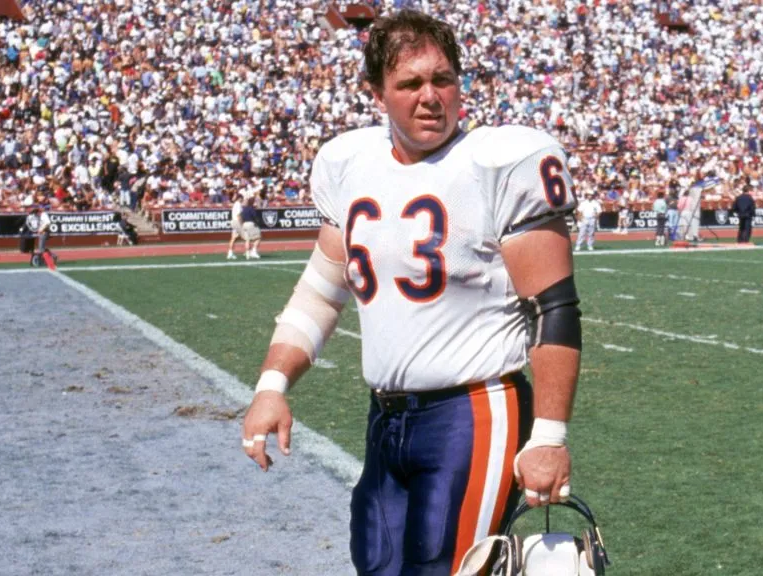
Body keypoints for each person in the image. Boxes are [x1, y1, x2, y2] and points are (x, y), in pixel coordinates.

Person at [240, 10, 582, 576]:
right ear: (377, 92)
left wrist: (548, 436)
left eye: (442, 79)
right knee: (375, 564)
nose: (431, 97)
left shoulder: (501, 162)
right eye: (410, 83)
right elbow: (321, 294)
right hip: (387, 417)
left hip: (475, 411)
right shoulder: (350, 164)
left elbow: (554, 309)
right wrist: (272, 386)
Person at [240, 195, 262, 259]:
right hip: (250, 223)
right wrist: (257, 223)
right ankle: (254, 251)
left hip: (244, 224)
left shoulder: (243, 208)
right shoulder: (251, 208)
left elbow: (241, 217)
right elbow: (255, 217)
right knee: (258, 237)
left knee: (247, 240)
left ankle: (247, 253)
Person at [227, 191, 244, 260]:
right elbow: (238, 215)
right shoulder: (238, 205)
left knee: (234, 238)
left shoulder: (235, 204)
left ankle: (230, 252)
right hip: (237, 222)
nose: (243, 200)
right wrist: (241, 223)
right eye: (242, 198)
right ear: (239, 198)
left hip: (234, 221)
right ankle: (249, 250)